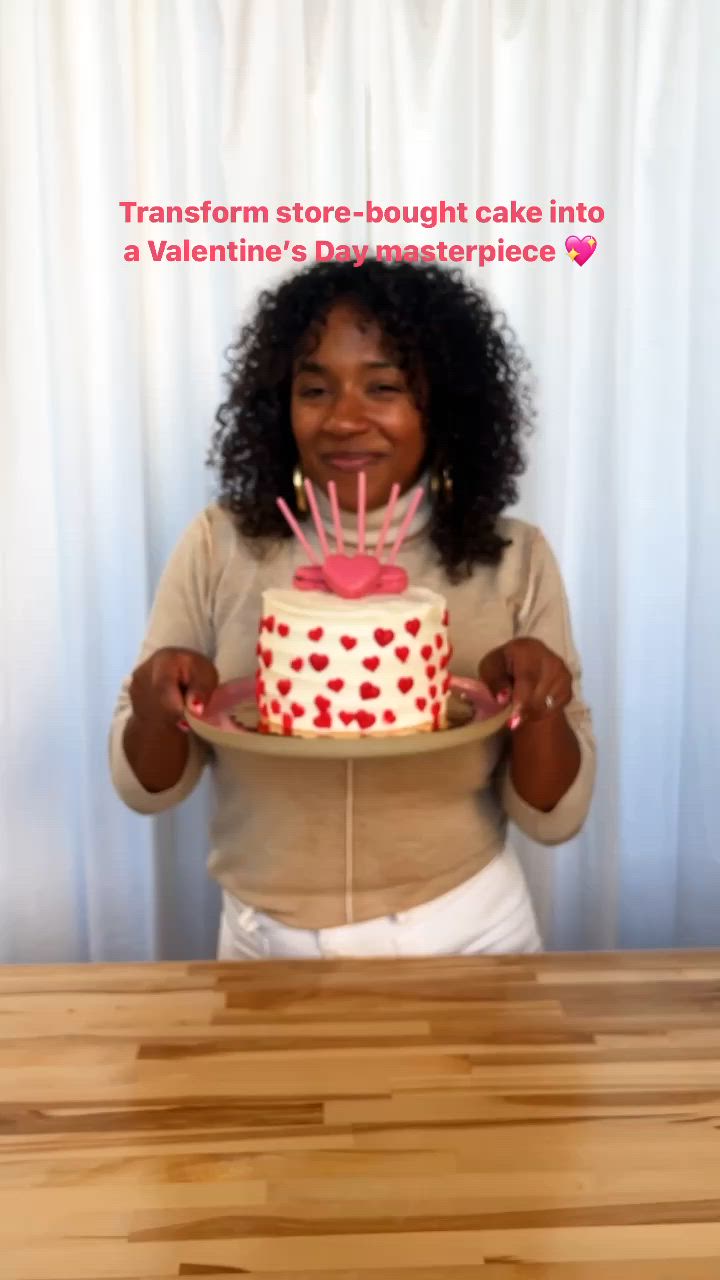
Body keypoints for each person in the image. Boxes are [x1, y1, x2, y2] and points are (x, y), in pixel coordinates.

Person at [109, 260, 595, 960]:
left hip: (466, 933)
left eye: (384, 386)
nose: (343, 418)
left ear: (443, 404)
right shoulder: (221, 542)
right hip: (262, 939)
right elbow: (147, 788)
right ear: (282, 404)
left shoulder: (513, 556)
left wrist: (540, 701)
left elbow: (555, 819)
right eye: (314, 389)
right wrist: (158, 700)